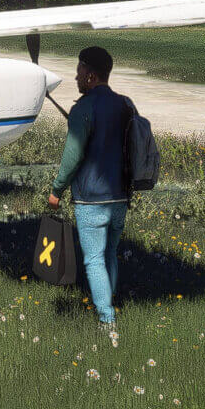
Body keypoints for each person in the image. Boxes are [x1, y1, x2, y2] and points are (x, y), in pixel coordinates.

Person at [47, 46, 131, 327]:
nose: (76, 77)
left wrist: (57, 190)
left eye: (79, 71)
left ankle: (107, 321)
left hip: (90, 199)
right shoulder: (125, 104)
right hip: (120, 196)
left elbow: (73, 155)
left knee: (93, 259)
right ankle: (109, 301)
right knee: (110, 254)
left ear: (91, 75)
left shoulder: (83, 108)